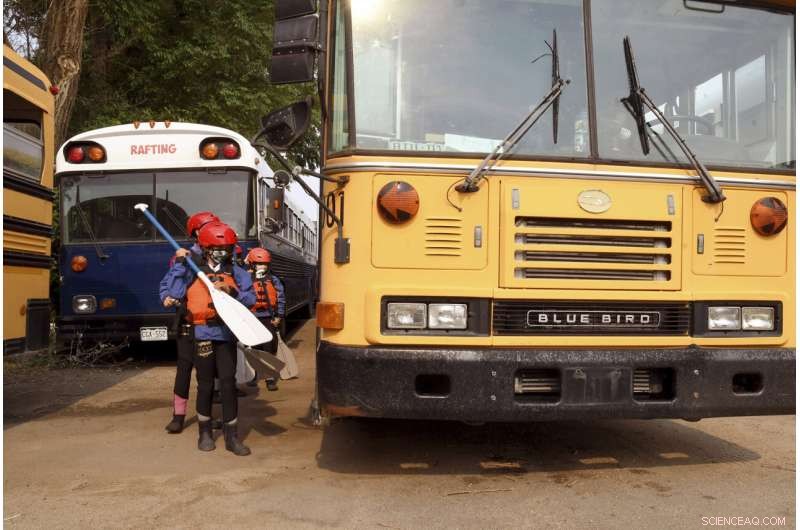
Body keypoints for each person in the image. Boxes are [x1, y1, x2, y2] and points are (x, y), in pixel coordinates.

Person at [160, 221, 256, 456]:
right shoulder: (191, 269)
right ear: (205, 248)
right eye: (216, 249)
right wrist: (180, 264)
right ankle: (204, 433)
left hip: (225, 334)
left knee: (227, 383)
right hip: (201, 334)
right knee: (204, 384)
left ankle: (232, 437)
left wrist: (232, 292)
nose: (222, 254)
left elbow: (251, 299)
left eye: (226, 249)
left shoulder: (236, 272)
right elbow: (174, 293)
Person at [160, 211, 219, 434]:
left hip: (211, 324)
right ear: (196, 233)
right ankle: (178, 415)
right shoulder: (183, 256)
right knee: (184, 369)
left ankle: (206, 415)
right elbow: (166, 284)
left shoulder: (221, 256)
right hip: (188, 322)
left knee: (207, 372)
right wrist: (165, 295)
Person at [244, 247, 286, 391]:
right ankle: (254, 375)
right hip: (252, 318)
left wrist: (279, 316)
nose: (262, 267)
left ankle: (269, 377)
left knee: (268, 349)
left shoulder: (273, 280)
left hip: (268, 318)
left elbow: (280, 299)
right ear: (251, 264)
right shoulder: (246, 279)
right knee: (253, 348)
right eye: (258, 264)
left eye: (265, 264)